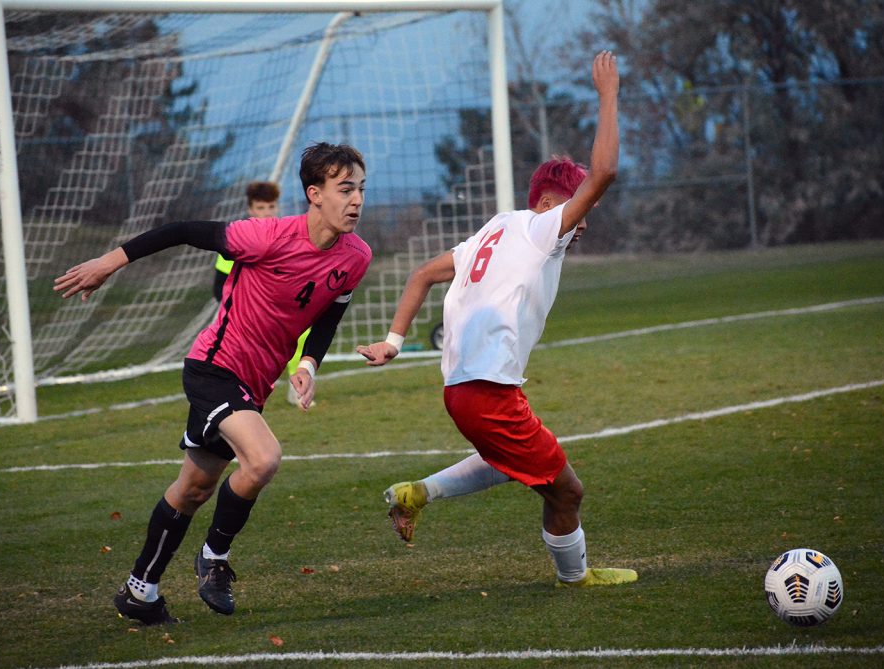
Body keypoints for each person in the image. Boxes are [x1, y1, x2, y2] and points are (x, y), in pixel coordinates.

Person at [55, 142, 371, 625]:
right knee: (263, 459)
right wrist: (107, 263)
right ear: (315, 194)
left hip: (254, 384)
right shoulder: (265, 236)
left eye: (361, 189)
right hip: (213, 368)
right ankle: (214, 558)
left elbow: (329, 314)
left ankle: (140, 591)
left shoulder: (356, 256)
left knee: (194, 488)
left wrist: (308, 364)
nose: (357, 200)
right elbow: (181, 230)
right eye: (345, 189)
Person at [357, 51, 635, 588]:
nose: (584, 220)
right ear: (551, 203)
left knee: (509, 460)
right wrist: (608, 95)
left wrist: (394, 341)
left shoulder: (497, 227)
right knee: (567, 491)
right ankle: (576, 578)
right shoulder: (542, 228)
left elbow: (421, 274)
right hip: (486, 392)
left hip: (464, 390)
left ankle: (418, 493)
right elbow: (605, 172)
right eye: (579, 207)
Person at [212, 181, 312, 408]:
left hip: (281, 310)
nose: (266, 213)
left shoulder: (289, 237)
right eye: (260, 207)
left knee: (303, 337)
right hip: (246, 316)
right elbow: (218, 287)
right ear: (250, 209)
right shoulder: (238, 239)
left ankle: (298, 390)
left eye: (271, 207)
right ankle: (236, 396)